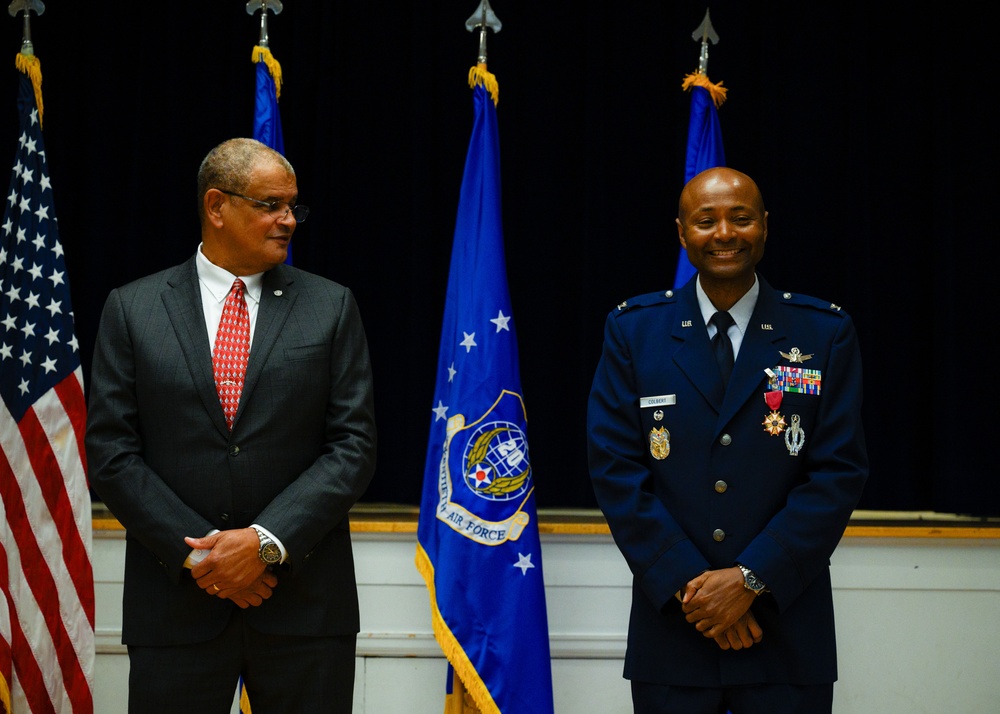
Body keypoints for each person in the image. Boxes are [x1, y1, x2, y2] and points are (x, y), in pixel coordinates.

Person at [85, 137, 377, 714]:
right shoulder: (133, 309)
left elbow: (354, 447)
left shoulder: (331, 306)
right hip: (176, 613)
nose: (288, 220)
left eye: (293, 207)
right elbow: (112, 452)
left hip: (304, 615)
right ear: (217, 206)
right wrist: (204, 559)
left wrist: (264, 544)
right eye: (271, 204)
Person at [586, 166, 868, 714]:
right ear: (681, 232)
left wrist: (750, 580)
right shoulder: (634, 331)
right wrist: (699, 591)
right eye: (705, 220)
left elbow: (838, 473)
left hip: (784, 632)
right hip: (675, 628)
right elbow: (616, 470)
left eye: (740, 218)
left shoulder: (824, 333)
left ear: (764, 226)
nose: (724, 233)